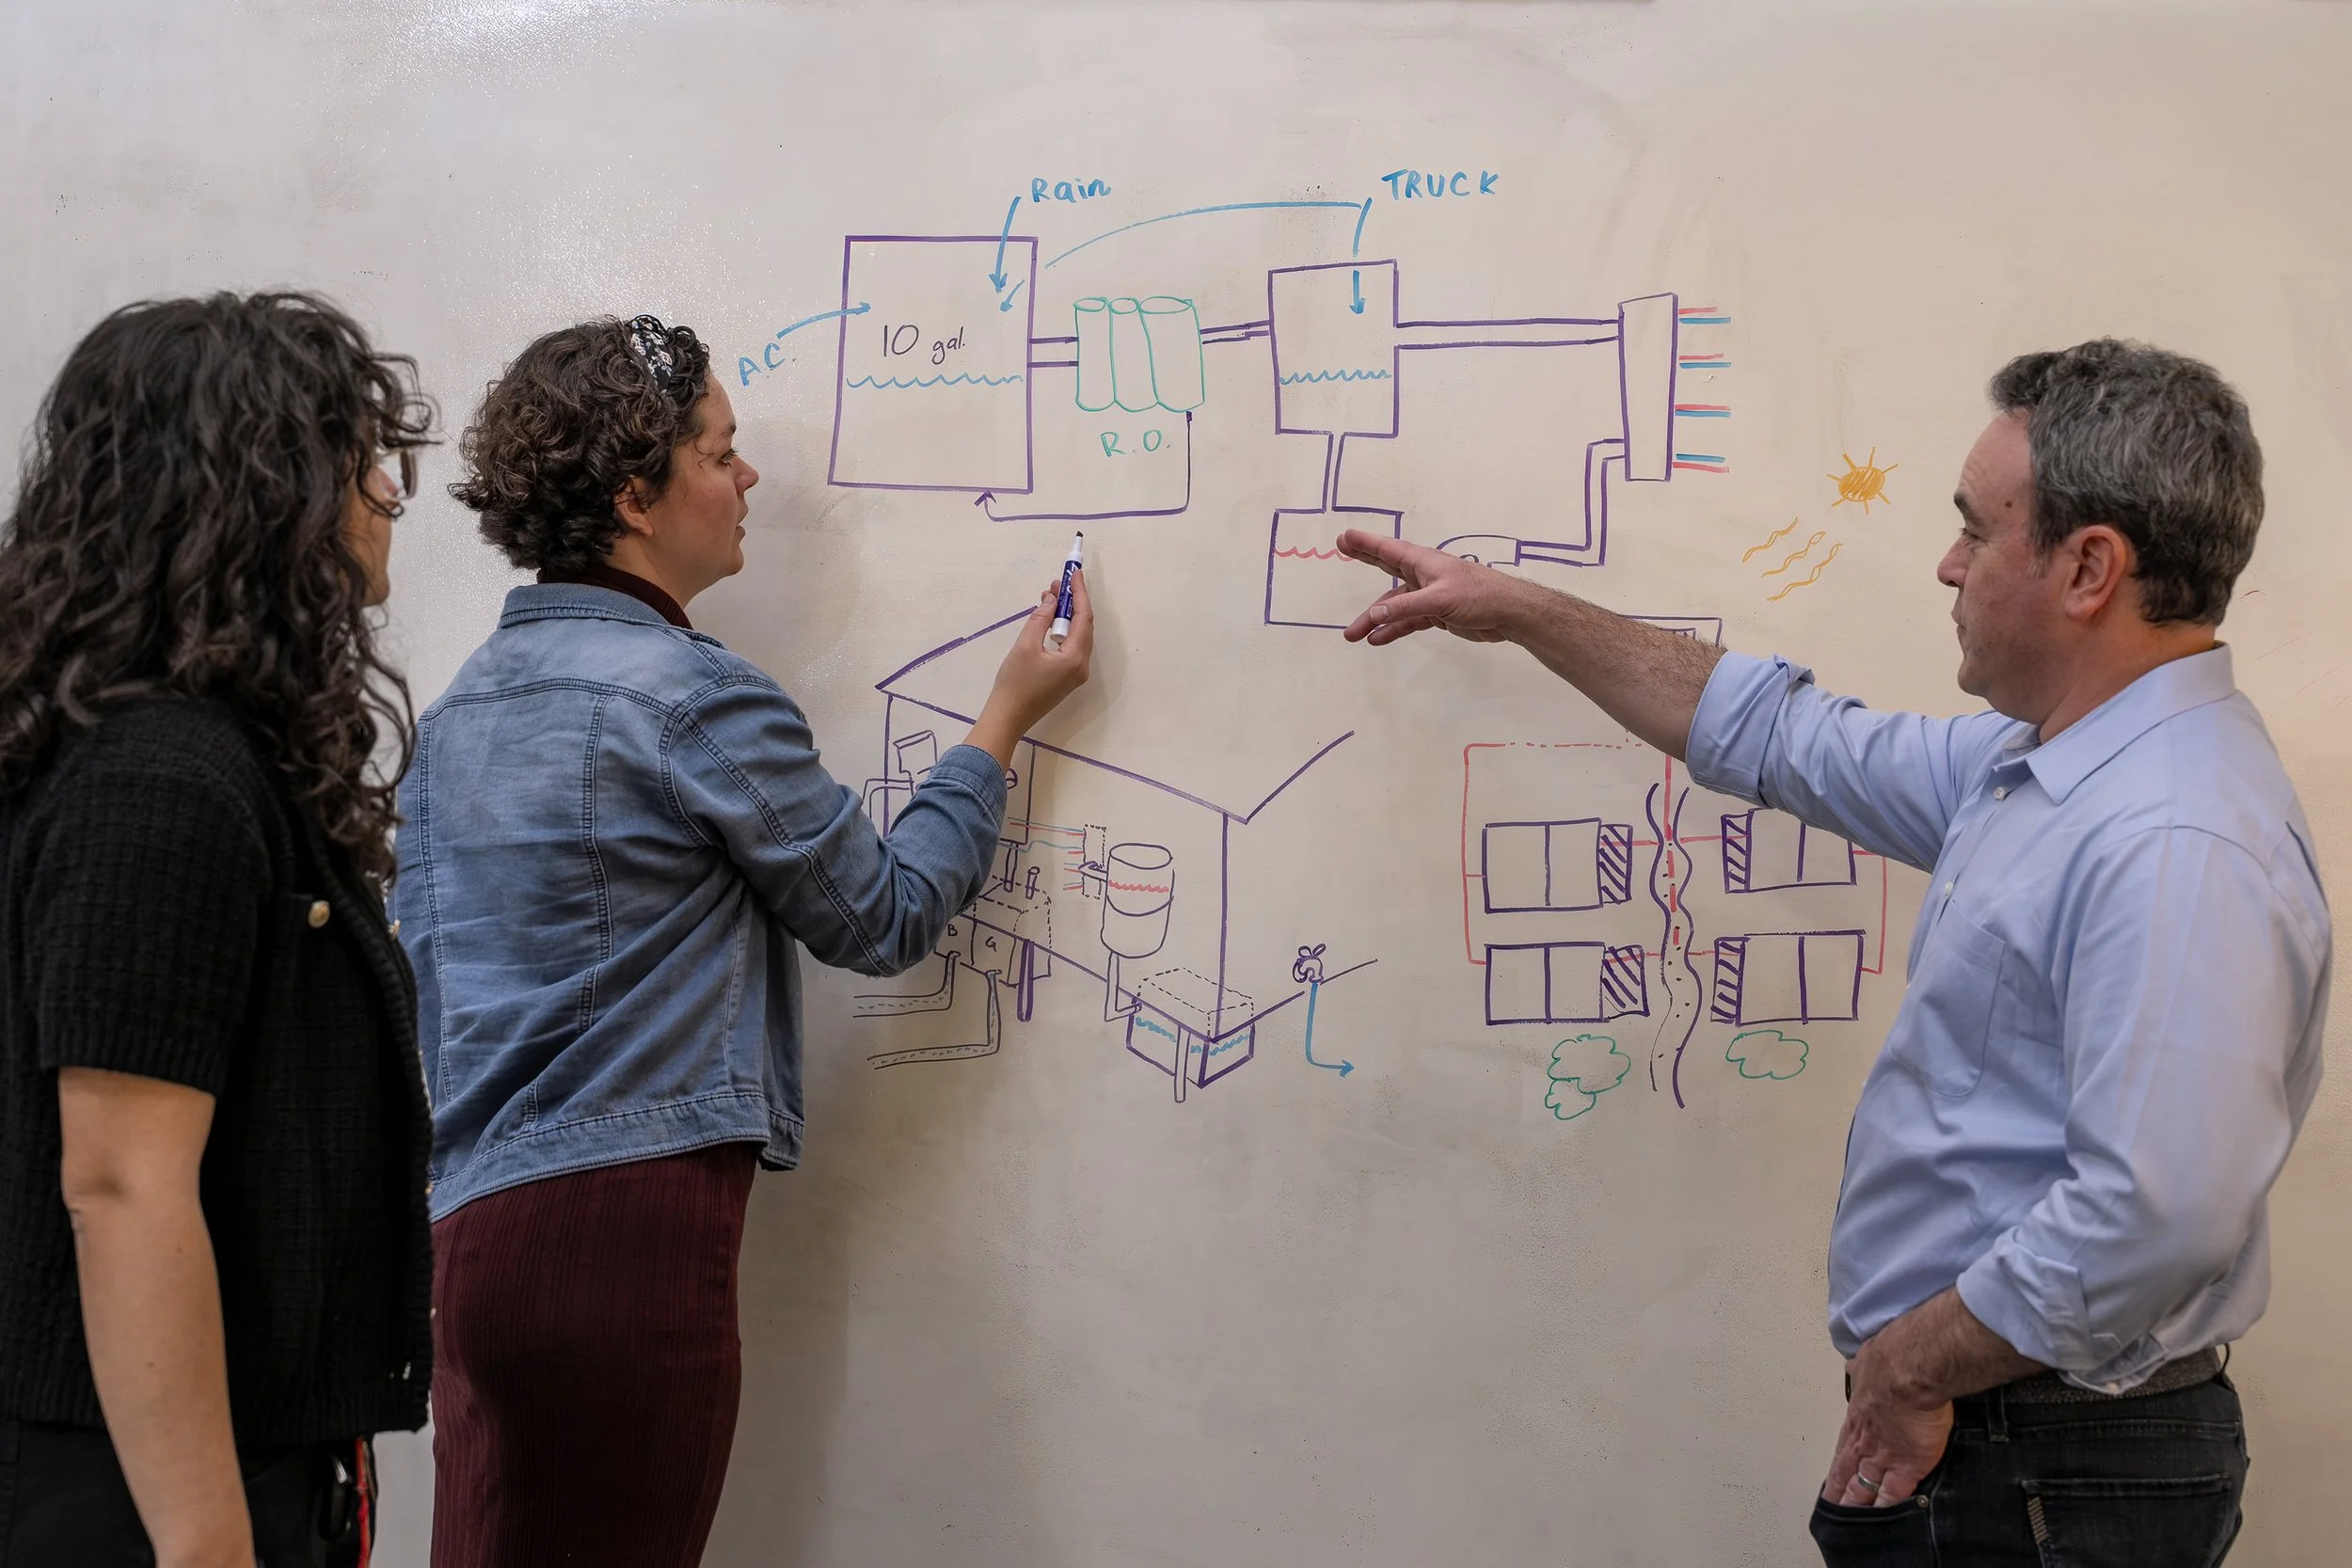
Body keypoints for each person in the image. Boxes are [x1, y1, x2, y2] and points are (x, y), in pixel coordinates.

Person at [1338, 339, 2328, 1566]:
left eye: (1978, 529)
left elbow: (2155, 1216)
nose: (1947, 563)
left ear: (2088, 567)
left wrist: (1910, 1365)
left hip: (2047, 1463)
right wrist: (1521, 608)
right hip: (2010, 1442)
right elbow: (1786, 736)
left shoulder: (2174, 833)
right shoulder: (2046, 768)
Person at [396, 313, 1094, 1567]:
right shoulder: (687, 694)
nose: (747, 477)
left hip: (470, 1244)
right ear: (636, 498)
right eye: (720, 452)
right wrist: (1004, 715)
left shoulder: (453, 715)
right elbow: (879, 915)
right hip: (623, 1242)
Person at [0, 293, 436, 1566]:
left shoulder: (185, 754)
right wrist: (205, 1541)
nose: (388, 492)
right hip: (138, 1490)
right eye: (362, 455)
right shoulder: (160, 780)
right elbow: (121, 1181)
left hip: (193, 1453)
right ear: (262, 484)